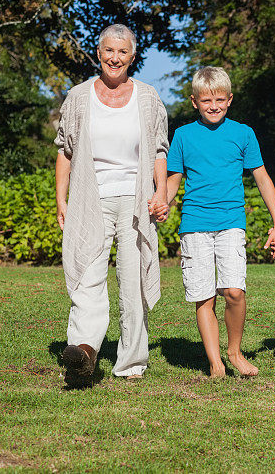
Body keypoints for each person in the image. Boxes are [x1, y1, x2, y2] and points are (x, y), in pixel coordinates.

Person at [54, 23, 170, 386]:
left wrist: (161, 192)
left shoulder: (148, 97)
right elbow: (65, 151)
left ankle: (131, 362)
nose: (114, 57)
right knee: (88, 271)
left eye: (122, 52)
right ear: (98, 53)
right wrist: (61, 198)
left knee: (133, 280)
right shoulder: (78, 96)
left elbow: (159, 150)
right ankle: (84, 350)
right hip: (91, 197)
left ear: (132, 57)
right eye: (108, 50)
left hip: (135, 199)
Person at [159, 66, 275, 378]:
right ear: (194, 102)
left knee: (234, 292)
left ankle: (235, 352)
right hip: (194, 224)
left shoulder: (243, 133)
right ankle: (215, 364)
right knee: (204, 295)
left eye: (218, 99)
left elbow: (263, 179)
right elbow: (174, 180)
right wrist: (163, 201)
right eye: (205, 100)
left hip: (231, 222)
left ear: (229, 100)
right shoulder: (183, 136)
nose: (212, 106)